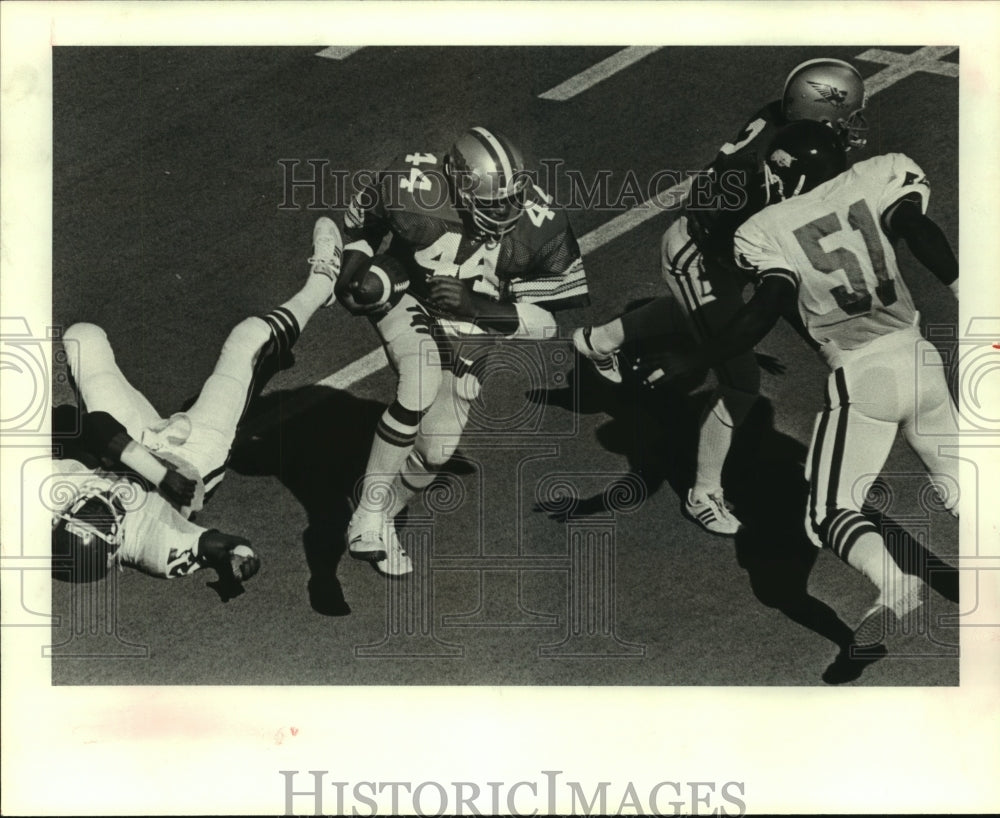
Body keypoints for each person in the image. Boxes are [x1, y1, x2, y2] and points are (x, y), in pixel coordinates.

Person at [651, 119, 959, 647]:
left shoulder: (764, 227)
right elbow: (916, 227)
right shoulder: (879, 173)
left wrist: (695, 358)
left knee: (830, 511)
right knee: (963, 479)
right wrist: (963, 287)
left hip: (863, 379)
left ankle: (894, 583)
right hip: (919, 357)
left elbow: (765, 310)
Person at [573, 57, 867, 535]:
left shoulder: (780, 122)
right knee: (741, 379)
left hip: (719, 245)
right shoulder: (781, 160)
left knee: (704, 314)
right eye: (845, 113)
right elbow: (785, 250)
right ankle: (703, 492)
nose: (852, 124)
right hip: (703, 253)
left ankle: (601, 339)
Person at [335, 125, 590, 575]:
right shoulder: (414, 190)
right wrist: (354, 275)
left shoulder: (541, 226)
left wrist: (476, 305)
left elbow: (546, 325)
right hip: (409, 295)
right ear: (459, 186)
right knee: (421, 378)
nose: (509, 210)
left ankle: (382, 516)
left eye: (514, 197)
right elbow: (361, 224)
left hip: (473, 323)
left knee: (437, 451)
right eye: (495, 202)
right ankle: (369, 514)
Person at [48, 217, 343, 592]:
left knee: (81, 337)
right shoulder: (152, 546)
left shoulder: (46, 496)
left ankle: (270, 357)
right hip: (191, 461)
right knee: (247, 338)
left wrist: (156, 475)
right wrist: (237, 558)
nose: (105, 503)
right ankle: (322, 282)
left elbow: (96, 426)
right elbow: (220, 545)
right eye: (109, 517)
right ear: (117, 542)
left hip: (132, 445)